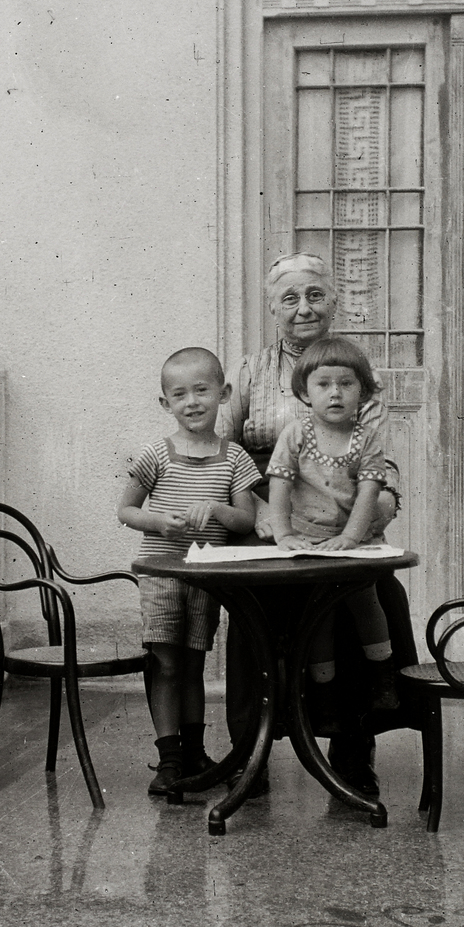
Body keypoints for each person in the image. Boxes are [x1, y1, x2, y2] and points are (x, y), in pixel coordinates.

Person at [217, 253, 407, 796]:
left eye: (316, 295)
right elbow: (225, 449)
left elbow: (376, 457)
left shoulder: (352, 367)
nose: (305, 308)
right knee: (252, 610)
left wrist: (386, 499)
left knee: (369, 597)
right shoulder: (250, 371)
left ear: (334, 301)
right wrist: (256, 513)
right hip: (263, 512)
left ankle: (352, 750)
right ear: (273, 308)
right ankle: (248, 751)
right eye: (291, 298)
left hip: (340, 517)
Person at [118, 347, 260, 796]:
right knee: (165, 663)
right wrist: (160, 522)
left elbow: (247, 520)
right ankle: (169, 759)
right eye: (179, 394)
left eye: (202, 390)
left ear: (224, 393)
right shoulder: (156, 454)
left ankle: (195, 752)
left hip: (205, 577)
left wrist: (217, 508)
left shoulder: (234, 458)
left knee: (195, 663)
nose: (192, 402)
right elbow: (125, 510)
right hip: (161, 574)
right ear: (166, 404)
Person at [266, 337, 399, 714]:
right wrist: (283, 533)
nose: (335, 393)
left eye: (346, 384)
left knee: (366, 601)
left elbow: (369, 492)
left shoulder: (367, 437)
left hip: (354, 539)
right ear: (305, 393)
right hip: (308, 539)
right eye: (323, 385)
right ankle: (323, 693)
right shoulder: (294, 433)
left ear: (363, 391)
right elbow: (279, 485)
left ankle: (382, 678)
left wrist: (351, 537)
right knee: (317, 614)